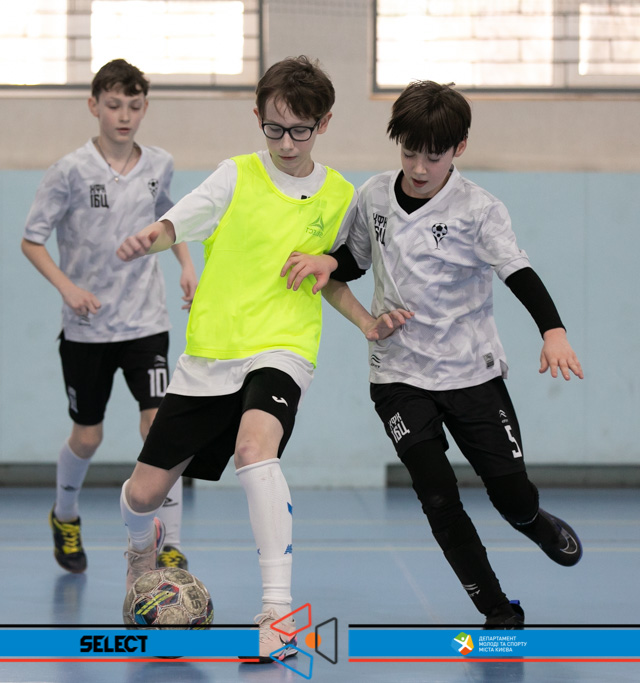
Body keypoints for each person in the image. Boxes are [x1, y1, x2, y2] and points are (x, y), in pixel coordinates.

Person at [115, 56, 405, 662]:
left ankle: (277, 613)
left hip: (283, 347)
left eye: (300, 130)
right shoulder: (236, 175)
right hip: (211, 353)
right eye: (275, 128)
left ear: (324, 123)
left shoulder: (340, 196)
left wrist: (365, 323)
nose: (287, 142)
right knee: (142, 494)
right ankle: (142, 550)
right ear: (258, 117)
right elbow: (178, 222)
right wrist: (151, 238)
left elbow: (332, 275)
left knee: (255, 449)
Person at [292, 80, 584, 627]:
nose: (419, 167)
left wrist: (553, 331)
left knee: (511, 496)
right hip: (398, 375)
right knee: (438, 498)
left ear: (459, 148)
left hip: (471, 372)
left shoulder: (479, 209)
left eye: (434, 155)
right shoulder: (374, 196)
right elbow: (354, 260)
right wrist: (328, 263)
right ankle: (495, 607)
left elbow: (517, 271)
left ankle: (532, 520)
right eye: (409, 152)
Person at [22, 60, 198, 574]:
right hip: (87, 328)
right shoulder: (70, 171)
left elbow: (170, 220)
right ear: (94, 105)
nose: (124, 116)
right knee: (88, 436)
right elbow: (32, 241)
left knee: (159, 428)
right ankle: (65, 514)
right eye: (114, 105)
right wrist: (68, 288)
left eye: (134, 106)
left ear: (145, 108)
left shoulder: (160, 164)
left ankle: (169, 542)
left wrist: (187, 265)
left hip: (145, 322)